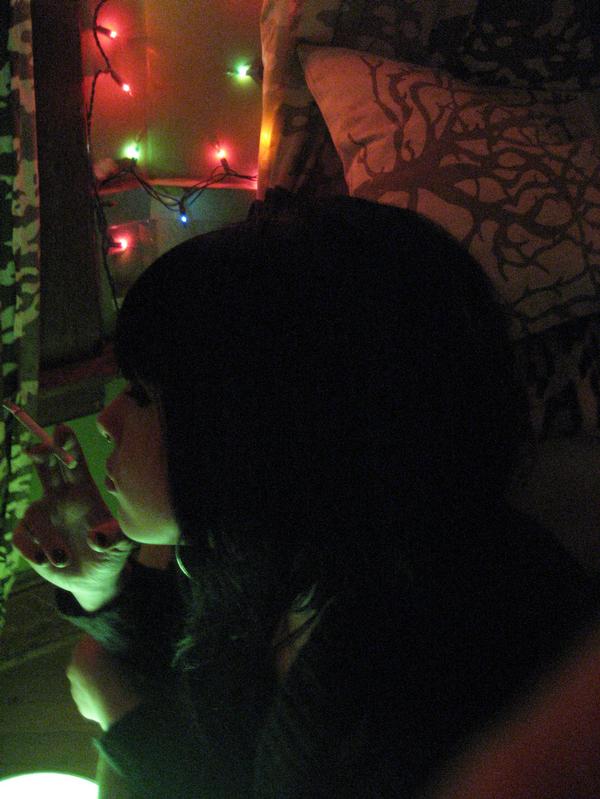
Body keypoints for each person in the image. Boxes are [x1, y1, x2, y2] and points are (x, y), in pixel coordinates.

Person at [12, 193, 600, 798]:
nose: (106, 421)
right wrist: (101, 589)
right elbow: (217, 691)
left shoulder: (432, 671)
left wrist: (125, 717)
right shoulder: (284, 550)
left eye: (141, 395)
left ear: (257, 426)